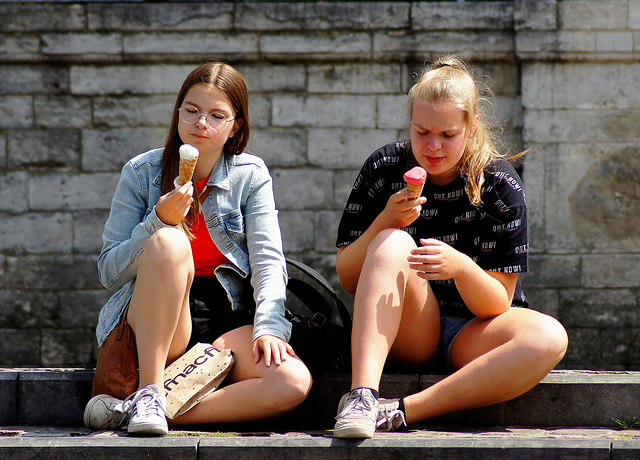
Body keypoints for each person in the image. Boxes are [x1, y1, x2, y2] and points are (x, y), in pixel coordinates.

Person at [332, 56, 568, 439]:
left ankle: (404, 412)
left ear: (471, 127)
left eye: (447, 134)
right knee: (392, 242)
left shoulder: (499, 184)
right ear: (409, 122)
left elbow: (496, 305)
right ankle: (361, 397)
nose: (433, 146)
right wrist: (386, 221)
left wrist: (461, 267)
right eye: (422, 131)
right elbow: (347, 276)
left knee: (549, 337)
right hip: (409, 328)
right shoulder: (384, 167)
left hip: (473, 331)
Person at [84, 62, 312, 436]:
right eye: (191, 110)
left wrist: (269, 327)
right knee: (170, 242)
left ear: (235, 125)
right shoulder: (142, 173)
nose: (201, 122)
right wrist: (157, 220)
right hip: (158, 321)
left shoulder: (250, 176)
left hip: (226, 320)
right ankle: (152, 389)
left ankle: (141, 410)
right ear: (178, 112)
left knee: (292, 382)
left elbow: (269, 262)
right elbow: (109, 271)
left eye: (217, 115)